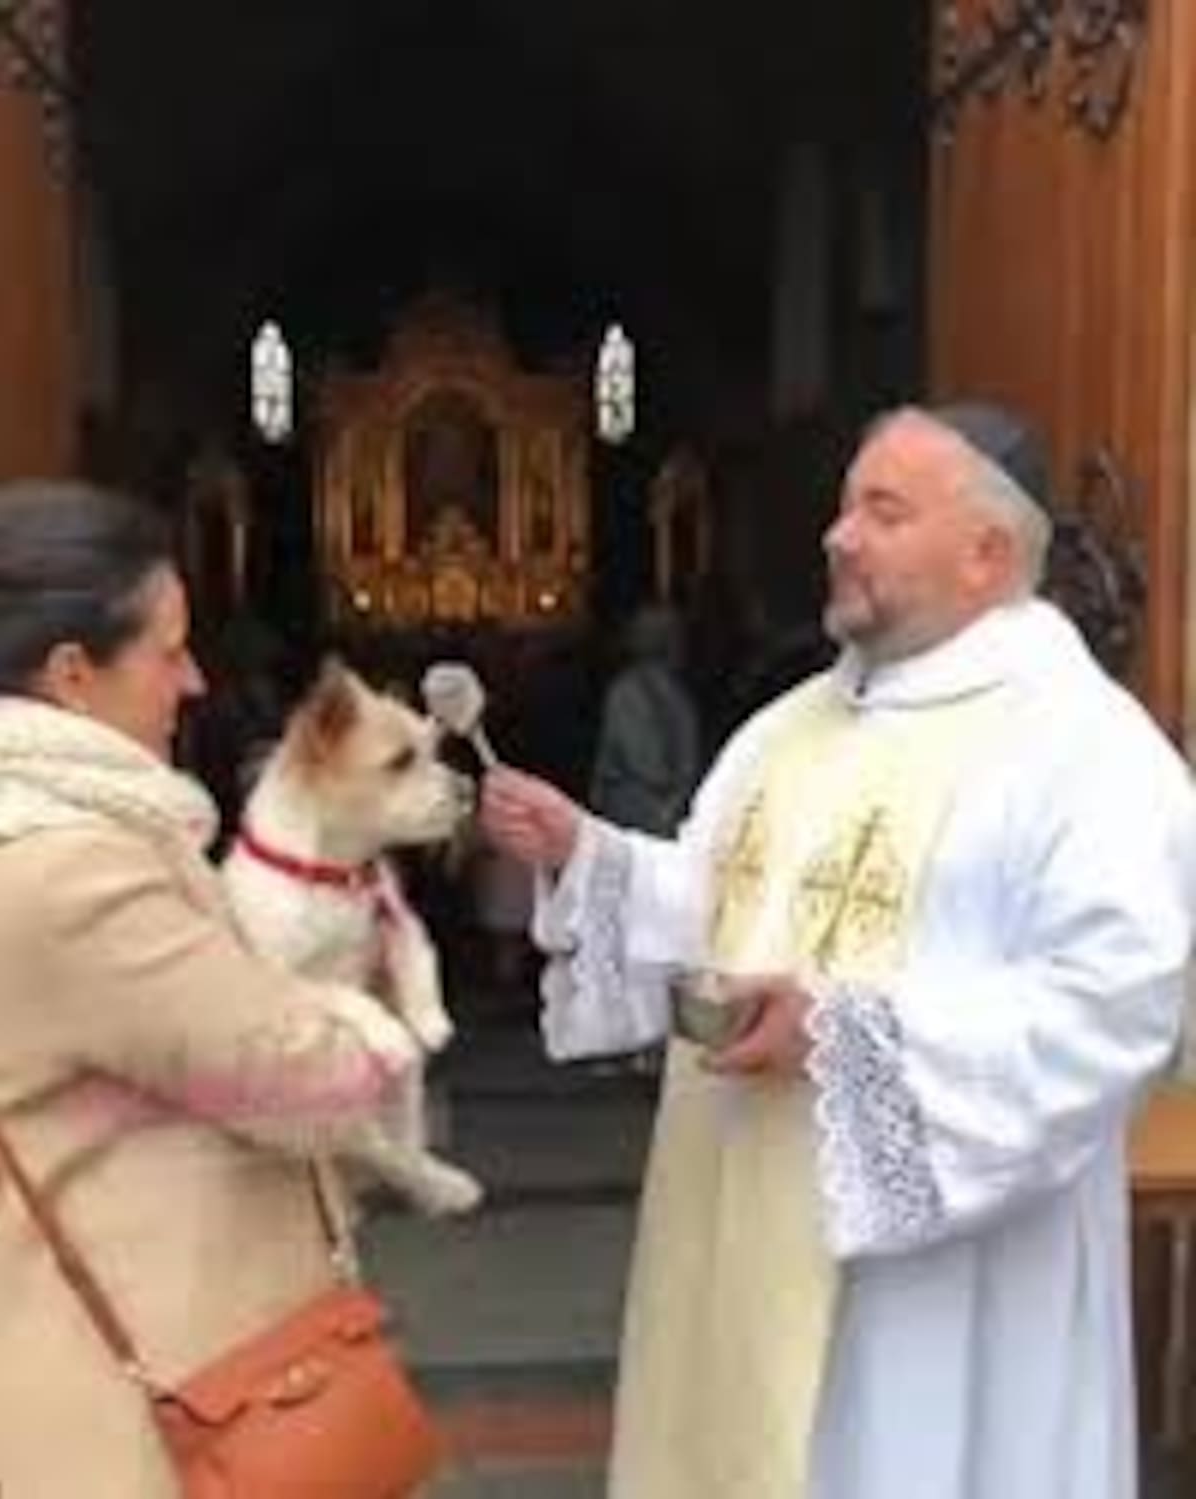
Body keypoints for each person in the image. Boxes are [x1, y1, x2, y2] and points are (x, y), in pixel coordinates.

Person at [481, 403, 1196, 1499]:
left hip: (935, 1285)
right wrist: (591, 854)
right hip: (738, 1221)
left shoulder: (1085, 749)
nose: (837, 534)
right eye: (844, 504)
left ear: (988, 555)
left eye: (883, 510)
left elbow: (1115, 1006)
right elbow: (719, 903)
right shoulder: (791, 726)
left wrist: (849, 1032)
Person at [0, 481, 424, 1497]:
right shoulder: (74, 871)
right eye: (167, 648)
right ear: (70, 674)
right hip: (136, 1404)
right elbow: (297, 1076)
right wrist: (363, 1011)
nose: (192, 680)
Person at [588, 603, 700, 837]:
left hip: (660, 812)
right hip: (637, 812)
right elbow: (649, 764)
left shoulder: (675, 693)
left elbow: (678, 762)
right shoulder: (628, 692)